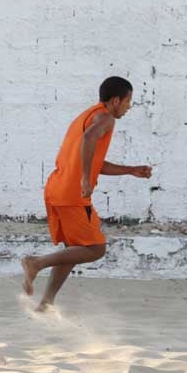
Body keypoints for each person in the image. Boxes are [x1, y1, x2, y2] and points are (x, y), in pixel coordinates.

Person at [21, 76, 153, 311]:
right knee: (96, 248)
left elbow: (94, 161)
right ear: (115, 100)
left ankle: (46, 303)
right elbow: (88, 139)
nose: (129, 107)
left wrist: (131, 170)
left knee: (74, 249)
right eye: (128, 101)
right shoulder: (106, 118)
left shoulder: (89, 115)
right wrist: (84, 178)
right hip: (73, 194)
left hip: (57, 188)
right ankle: (35, 263)